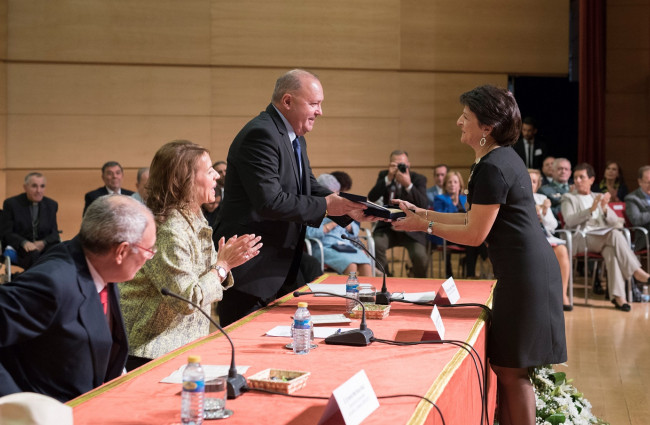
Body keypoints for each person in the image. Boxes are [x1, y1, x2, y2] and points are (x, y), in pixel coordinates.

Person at [392, 85, 566, 425]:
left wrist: (423, 227)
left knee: (512, 370)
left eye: (466, 117)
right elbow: (473, 217)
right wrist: (422, 214)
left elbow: (474, 234)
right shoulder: (500, 158)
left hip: (526, 275)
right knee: (509, 367)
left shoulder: (492, 166)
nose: (459, 122)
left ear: (486, 127)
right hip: (525, 271)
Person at [213, 69, 367, 327]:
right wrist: (327, 206)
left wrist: (349, 207)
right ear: (287, 101)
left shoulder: (294, 137)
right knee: (245, 352)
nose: (320, 112)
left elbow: (308, 186)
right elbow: (269, 201)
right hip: (253, 270)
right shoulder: (260, 135)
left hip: (280, 267)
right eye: (314, 104)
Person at [119, 141, 262, 370]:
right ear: (183, 181)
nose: (216, 175)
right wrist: (222, 266)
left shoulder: (193, 217)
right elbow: (186, 300)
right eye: (208, 171)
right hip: (151, 352)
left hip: (181, 347)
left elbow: (202, 281)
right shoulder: (168, 231)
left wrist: (224, 263)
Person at [0, 195, 155, 402]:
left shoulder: (102, 265)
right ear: (121, 251)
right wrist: (15, 404)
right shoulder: (52, 282)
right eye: (148, 250)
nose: (150, 256)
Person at [561, 163, 650, 312]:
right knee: (614, 235)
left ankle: (619, 298)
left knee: (612, 252)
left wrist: (604, 209)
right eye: (575, 177)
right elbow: (569, 221)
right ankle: (636, 271)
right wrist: (590, 210)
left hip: (603, 238)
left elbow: (617, 222)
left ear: (591, 180)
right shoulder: (568, 197)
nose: (577, 181)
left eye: (581, 177)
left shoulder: (598, 197)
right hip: (580, 238)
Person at [368, 150, 429, 278]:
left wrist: (408, 184)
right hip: (388, 227)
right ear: (389, 165)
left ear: (408, 165)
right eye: (394, 165)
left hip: (412, 230)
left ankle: (419, 282)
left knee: (420, 255)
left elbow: (423, 204)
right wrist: (388, 179)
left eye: (402, 165)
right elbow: (372, 196)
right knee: (376, 245)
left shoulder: (418, 179)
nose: (398, 168)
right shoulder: (384, 175)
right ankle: (386, 279)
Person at [306, 174, 372, 276]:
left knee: (366, 264)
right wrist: (332, 224)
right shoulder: (313, 208)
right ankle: (349, 291)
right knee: (351, 265)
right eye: (332, 193)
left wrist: (348, 226)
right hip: (324, 246)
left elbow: (354, 230)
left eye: (337, 193)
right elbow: (309, 234)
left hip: (344, 245)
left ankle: (367, 291)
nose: (336, 196)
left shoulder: (340, 207)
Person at [529, 169, 572, 310]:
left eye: (534, 181)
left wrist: (545, 213)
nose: (530, 184)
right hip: (528, 238)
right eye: (528, 180)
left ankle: (563, 294)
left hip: (545, 236)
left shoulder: (542, 198)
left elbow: (553, 226)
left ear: (538, 184)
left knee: (562, 250)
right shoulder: (516, 198)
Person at [433, 171, 488, 278]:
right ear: (445, 185)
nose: (452, 184)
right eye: (449, 182)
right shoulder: (440, 199)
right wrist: (453, 201)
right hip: (447, 234)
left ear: (460, 185)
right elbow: (440, 217)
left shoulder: (465, 199)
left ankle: (470, 275)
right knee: (473, 239)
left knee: (473, 240)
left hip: (465, 234)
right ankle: (486, 259)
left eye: (455, 182)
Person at [1, 172, 60, 270]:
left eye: (42, 186)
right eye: (34, 186)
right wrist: (24, 243)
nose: (39, 190)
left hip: (43, 245)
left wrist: (43, 242)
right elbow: (6, 233)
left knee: (60, 252)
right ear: (25, 187)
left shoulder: (52, 205)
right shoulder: (11, 204)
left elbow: (54, 234)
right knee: (34, 255)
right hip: (20, 246)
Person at [625, 165, 650, 250]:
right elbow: (636, 219)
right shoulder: (632, 198)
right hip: (644, 237)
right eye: (648, 182)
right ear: (640, 182)